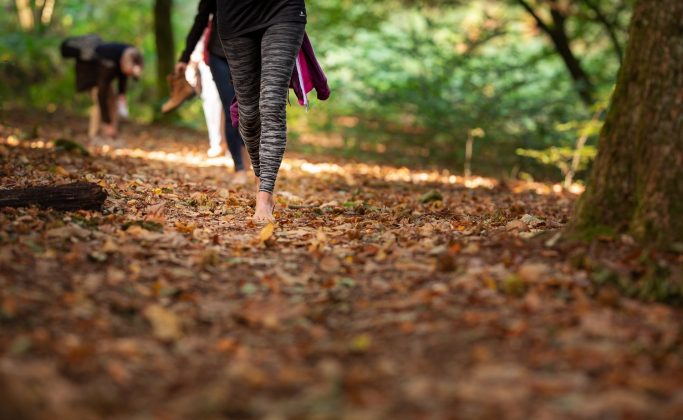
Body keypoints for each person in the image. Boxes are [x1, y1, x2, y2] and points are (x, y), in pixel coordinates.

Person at [216, 0, 307, 222]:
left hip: (283, 9)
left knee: (271, 103)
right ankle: (260, 176)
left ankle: (264, 196)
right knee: (247, 113)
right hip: (235, 16)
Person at [176, 0, 247, 184]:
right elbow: (200, 21)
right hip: (219, 55)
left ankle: (253, 164)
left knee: (249, 109)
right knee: (231, 108)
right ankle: (240, 168)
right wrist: (185, 57)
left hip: (250, 54)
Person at [62, 36, 143, 140]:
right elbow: (101, 94)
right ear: (124, 63)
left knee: (113, 101)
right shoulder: (108, 63)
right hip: (92, 76)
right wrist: (107, 122)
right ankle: (94, 135)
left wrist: (122, 95)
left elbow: (123, 76)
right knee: (99, 103)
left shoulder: (130, 55)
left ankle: (110, 135)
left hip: (103, 78)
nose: (129, 75)